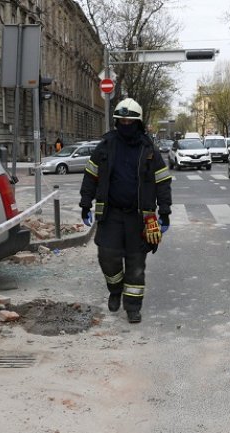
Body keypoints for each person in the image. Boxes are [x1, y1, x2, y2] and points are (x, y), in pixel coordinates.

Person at [79, 98, 172, 324]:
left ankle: (132, 307)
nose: (125, 125)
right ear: (116, 122)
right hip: (111, 215)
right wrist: (85, 203)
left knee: (136, 265)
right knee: (107, 257)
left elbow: (162, 181)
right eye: (121, 121)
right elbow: (91, 175)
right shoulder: (106, 146)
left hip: (139, 218)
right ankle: (115, 289)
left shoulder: (148, 149)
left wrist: (165, 211)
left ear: (138, 123)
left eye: (129, 121)